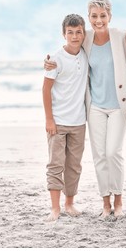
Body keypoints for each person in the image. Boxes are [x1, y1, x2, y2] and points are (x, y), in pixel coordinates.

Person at [45, 0, 126, 218]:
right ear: (89, 18)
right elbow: (67, 48)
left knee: (113, 152)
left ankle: (118, 201)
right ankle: (105, 204)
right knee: (99, 155)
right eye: (94, 16)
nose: (98, 20)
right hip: (95, 107)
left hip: (119, 107)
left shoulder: (120, 37)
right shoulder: (86, 38)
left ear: (110, 16)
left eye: (103, 15)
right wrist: (49, 61)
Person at [42, 14, 88, 222]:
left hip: (79, 121)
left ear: (84, 33)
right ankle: (55, 208)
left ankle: (69, 203)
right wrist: (49, 119)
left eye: (79, 32)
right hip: (58, 122)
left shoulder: (87, 54)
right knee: (56, 164)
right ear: (64, 34)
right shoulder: (56, 60)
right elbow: (46, 89)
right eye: (70, 32)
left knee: (74, 165)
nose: (75, 36)